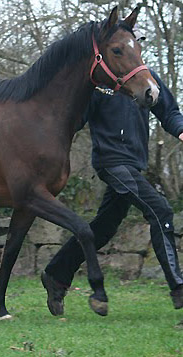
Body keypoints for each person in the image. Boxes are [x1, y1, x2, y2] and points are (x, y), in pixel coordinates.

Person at [41, 28, 183, 316]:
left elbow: (169, 112)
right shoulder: (99, 83)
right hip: (111, 163)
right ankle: (179, 288)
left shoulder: (146, 78)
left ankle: (56, 274)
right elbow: (72, 120)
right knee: (160, 210)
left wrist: (181, 131)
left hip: (134, 164)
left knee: (103, 228)